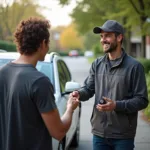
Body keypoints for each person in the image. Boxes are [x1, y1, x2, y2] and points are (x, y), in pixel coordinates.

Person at [0, 17, 79, 150]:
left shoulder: (2, 73)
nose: (48, 47)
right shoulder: (39, 82)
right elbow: (58, 132)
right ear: (42, 43)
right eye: (48, 43)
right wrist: (70, 108)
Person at [72, 20, 148, 150]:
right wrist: (79, 94)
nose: (102, 40)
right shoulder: (97, 64)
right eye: (101, 36)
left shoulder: (134, 67)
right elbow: (89, 89)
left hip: (123, 136)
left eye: (107, 36)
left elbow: (142, 101)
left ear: (119, 37)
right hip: (99, 134)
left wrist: (116, 105)